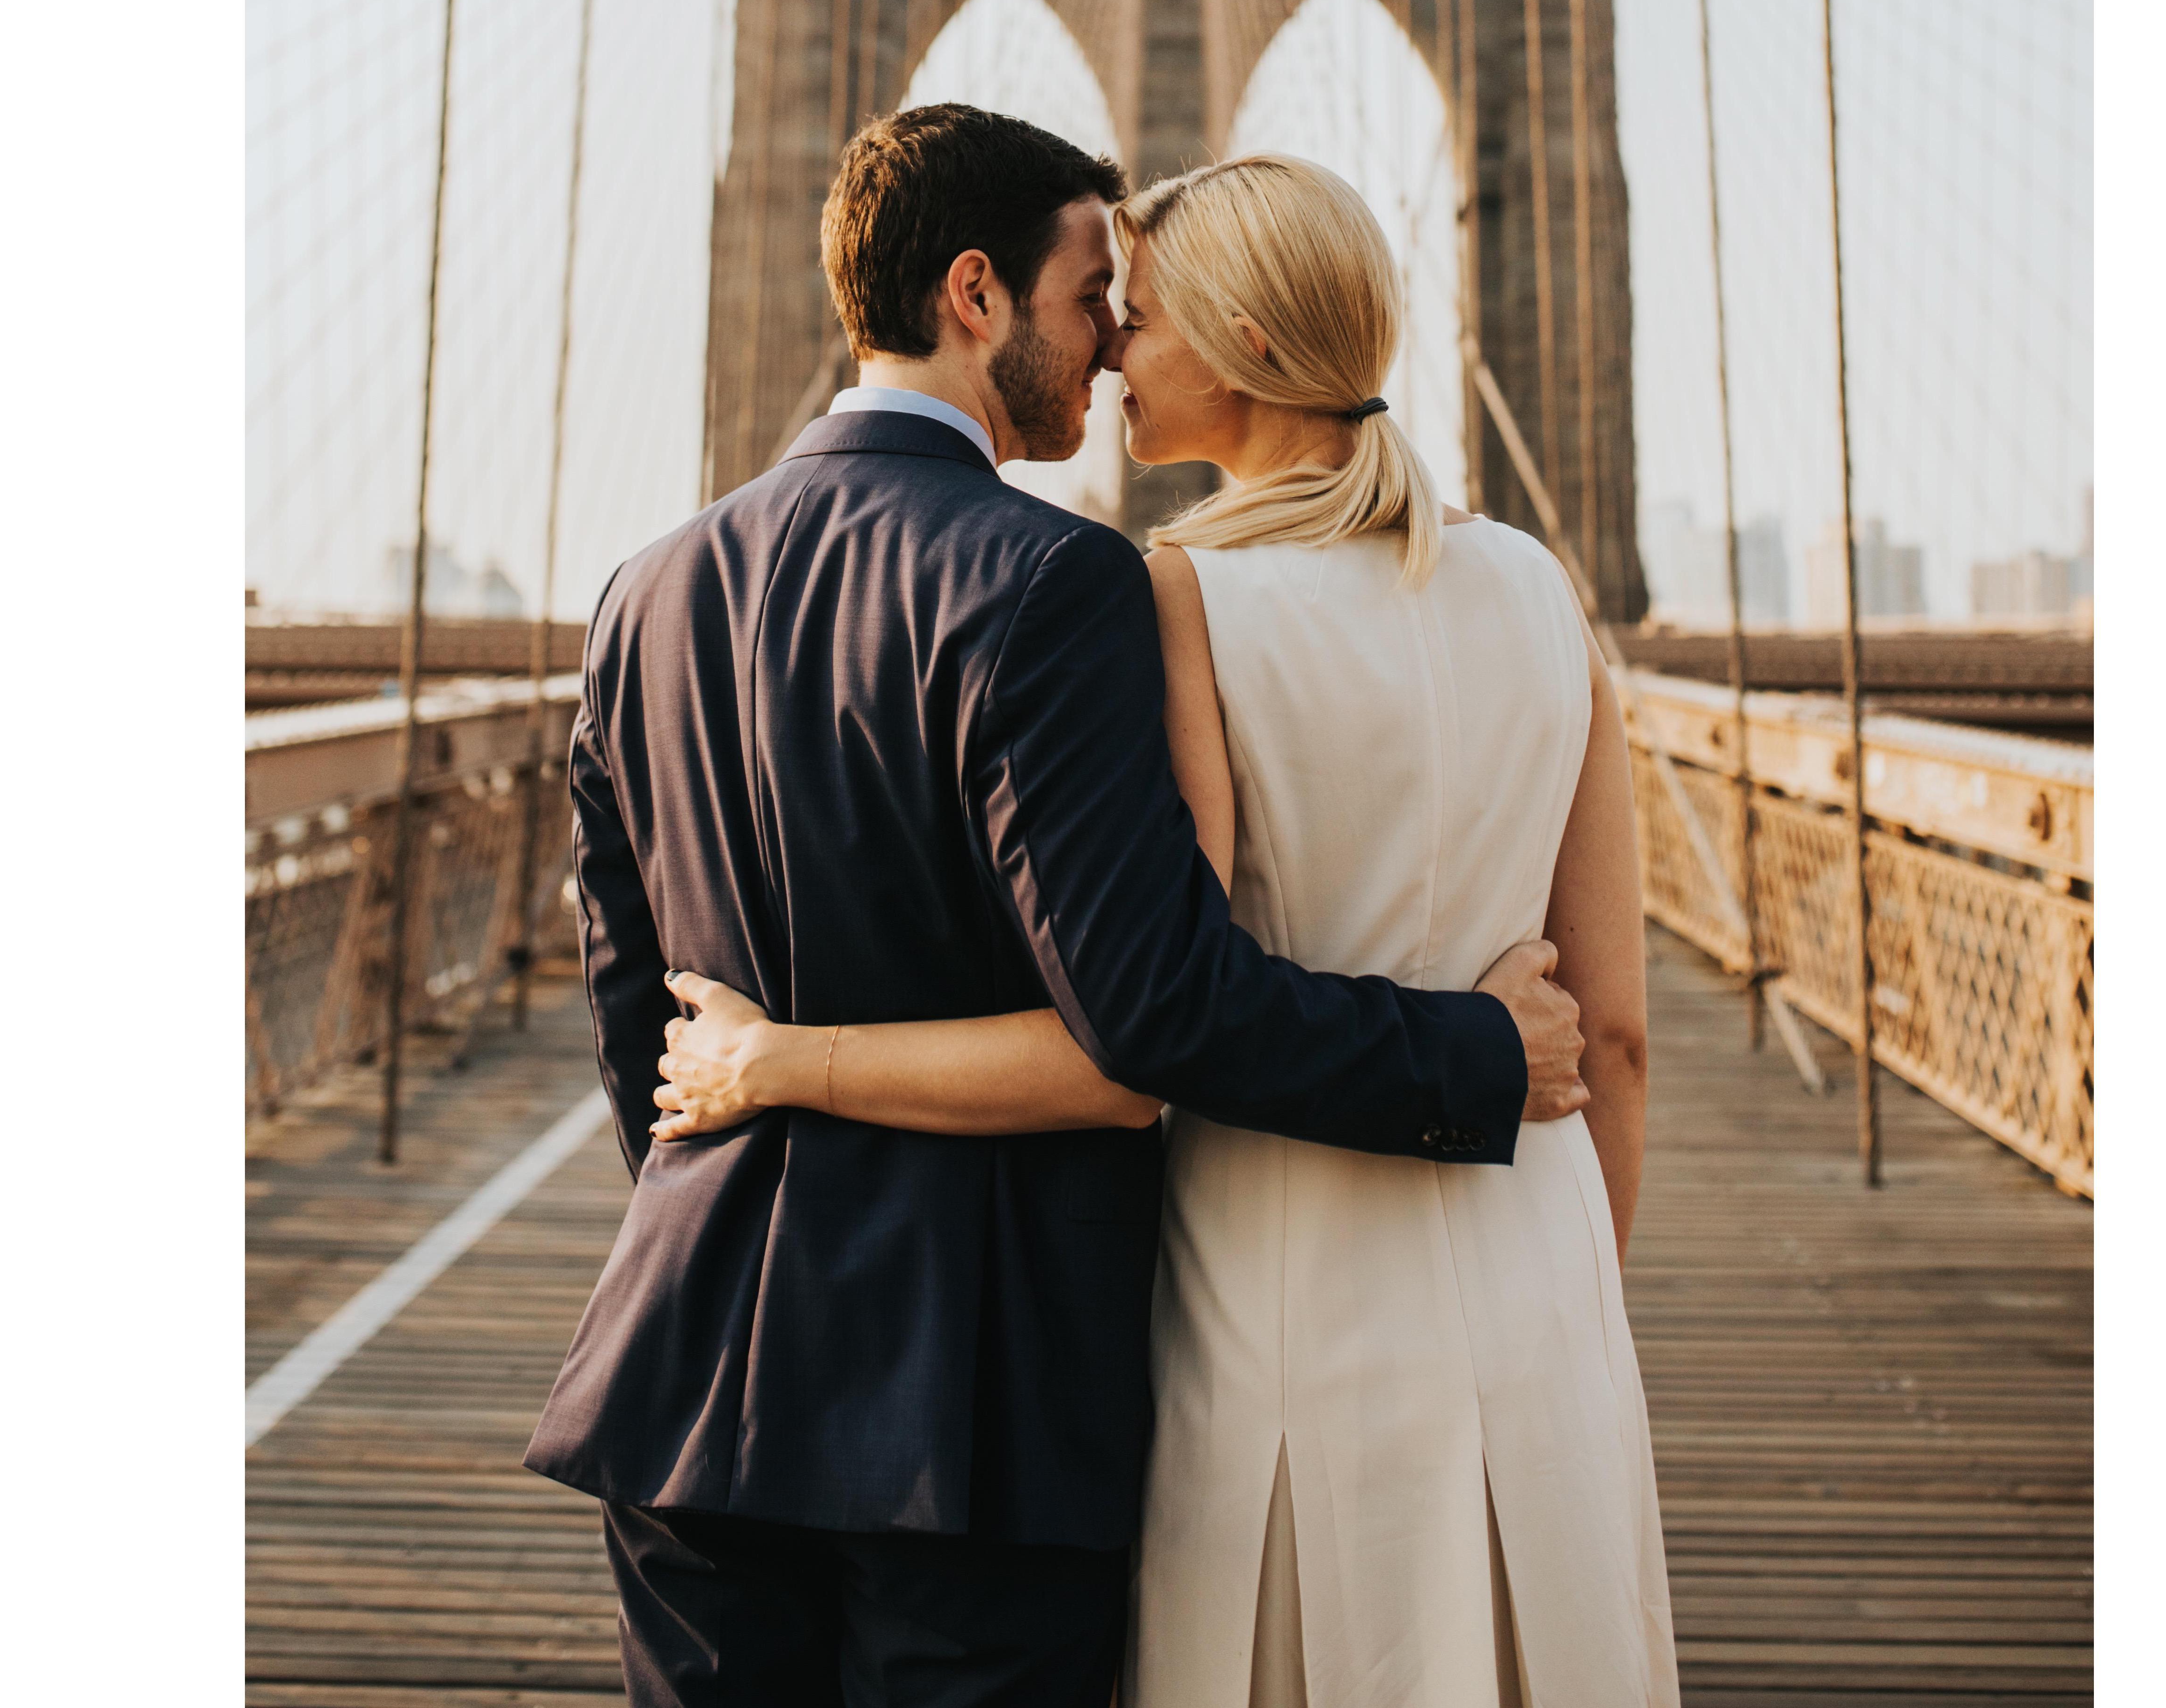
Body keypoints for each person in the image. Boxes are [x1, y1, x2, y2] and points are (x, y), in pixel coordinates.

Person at [524, 107, 1589, 1708]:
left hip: (686, 1373)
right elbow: (1152, 1007)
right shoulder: (1055, 582)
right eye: (1094, 293)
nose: (1107, 350)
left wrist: (735, 1194)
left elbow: (635, 1014)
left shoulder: (647, 587)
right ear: (976, 293)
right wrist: (1480, 1055)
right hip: (978, 1407)